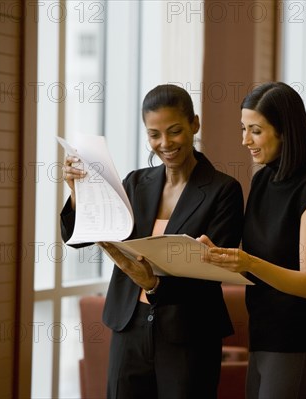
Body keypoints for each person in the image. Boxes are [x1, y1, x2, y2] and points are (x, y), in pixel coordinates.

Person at [60, 84, 244, 398]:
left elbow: (215, 266)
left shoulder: (222, 190)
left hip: (189, 333)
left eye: (174, 131)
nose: (164, 143)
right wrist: (79, 196)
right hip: (129, 327)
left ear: (194, 124)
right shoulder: (134, 183)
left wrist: (155, 284)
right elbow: (78, 240)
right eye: (154, 134)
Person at [199, 81, 306, 399]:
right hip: (263, 338)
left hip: (297, 343)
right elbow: (257, 266)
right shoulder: (263, 179)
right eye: (243, 129)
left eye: (256, 130)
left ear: (285, 131)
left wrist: (247, 261)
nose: (245, 140)